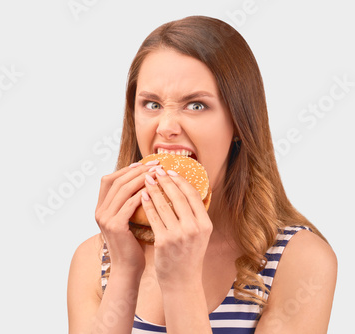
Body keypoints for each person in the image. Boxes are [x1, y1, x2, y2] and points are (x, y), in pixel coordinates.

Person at [67, 15, 337, 334]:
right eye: (151, 104)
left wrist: (181, 283)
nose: (166, 127)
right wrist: (125, 270)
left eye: (196, 105)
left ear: (239, 123)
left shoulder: (301, 261)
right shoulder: (93, 259)